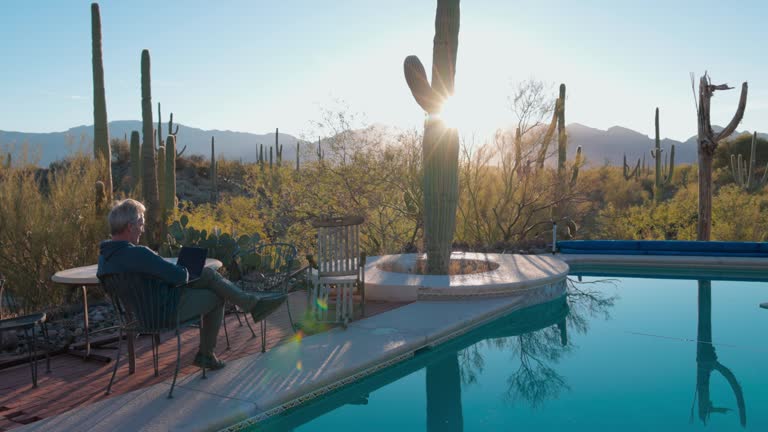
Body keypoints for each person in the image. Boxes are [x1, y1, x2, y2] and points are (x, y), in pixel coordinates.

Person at [96, 199, 284, 370]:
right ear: (130, 227)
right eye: (140, 224)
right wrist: (184, 270)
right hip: (164, 311)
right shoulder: (139, 253)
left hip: (140, 314)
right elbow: (178, 277)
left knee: (208, 274)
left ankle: (252, 304)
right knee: (216, 297)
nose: (142, 229)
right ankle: (207, 353)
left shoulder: (104, 259)